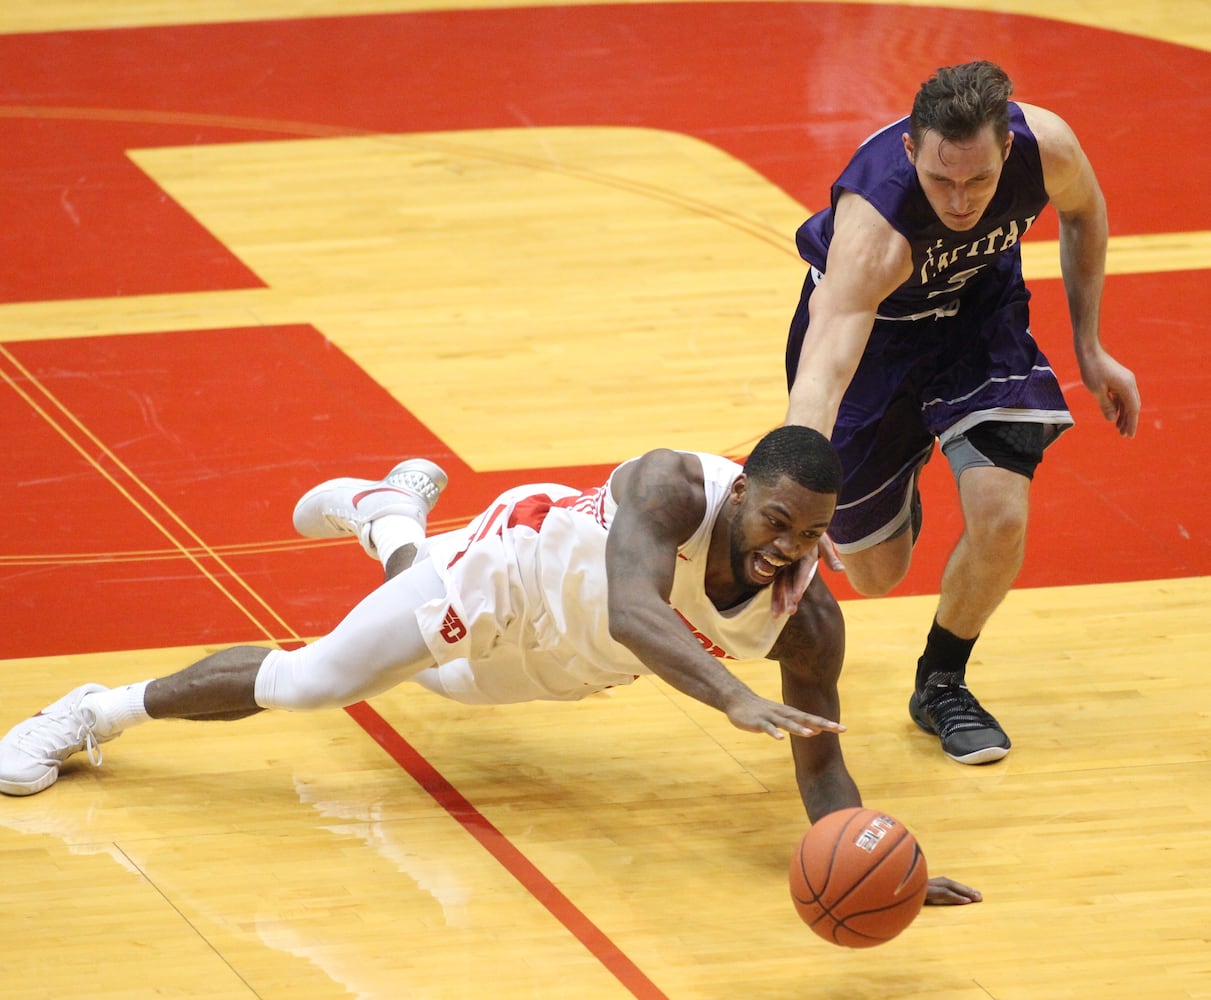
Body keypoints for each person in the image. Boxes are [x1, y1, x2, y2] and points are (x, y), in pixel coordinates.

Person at [0, 426, 978, 903]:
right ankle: (91, 712)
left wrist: (874, 859)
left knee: (427, 680)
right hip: (508, 570)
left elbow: (819, 759)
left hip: (560, 666)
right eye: (774, 522)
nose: (787, 549)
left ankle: (388, 515)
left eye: (809, 536)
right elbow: (635, 610)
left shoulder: (806, 625)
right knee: (316, 678)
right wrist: (726, 693)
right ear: (737, 496)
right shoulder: (670, 485)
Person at [783, 60, 1140, 764]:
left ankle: (941, 681)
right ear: (911, 150)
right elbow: (824, 369)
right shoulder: (875, 227)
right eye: (941, 179)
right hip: (875, 348)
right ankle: (903, 460)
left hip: (978, 321)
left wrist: (1089, 345)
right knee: (875, 572)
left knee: (1001, 518)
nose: (959, 201)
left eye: (978, 180)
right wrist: (802, 497)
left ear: (1005, 149)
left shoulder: (1046, 147)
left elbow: (1083, 210)